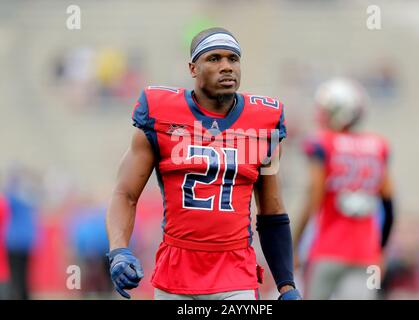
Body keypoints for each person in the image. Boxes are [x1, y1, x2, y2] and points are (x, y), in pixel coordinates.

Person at [105, 27, 301, 300]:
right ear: (193, 68)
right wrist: (118, 250)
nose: (226, 67)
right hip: (175, 271)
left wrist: (286, 284)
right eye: (214, 58)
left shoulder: (264, 122)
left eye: (233, 59)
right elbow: (125, 194)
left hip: (234, 271)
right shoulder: (160, 113)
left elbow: (272, 211)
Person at [293, 77, 395, 299]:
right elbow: (389, 205)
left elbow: (313, 198)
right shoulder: (378, 146)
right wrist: (381, 251)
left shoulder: (322, 143)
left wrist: (295, 243)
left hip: (327, 251)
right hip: (369, 256)